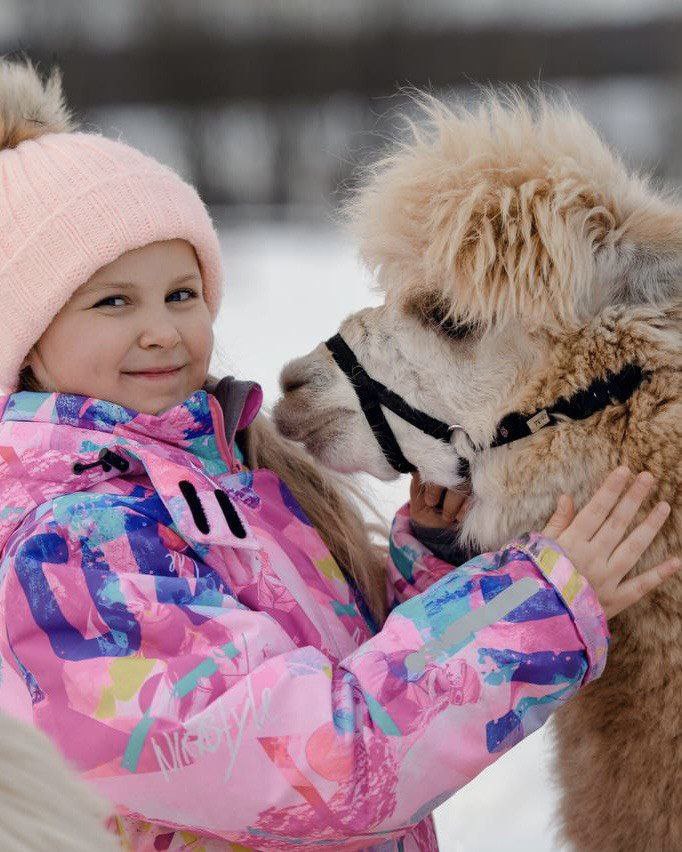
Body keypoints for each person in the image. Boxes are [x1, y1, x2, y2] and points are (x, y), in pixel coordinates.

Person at [0, 57, 678, 852]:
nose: (160, 330)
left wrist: (432, 564)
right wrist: (539, 605)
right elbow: (316, 758)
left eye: (180, 294)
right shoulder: (66, 558)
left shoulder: (229, 484)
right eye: (113, 301)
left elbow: (333, 664)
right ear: (28, 335)